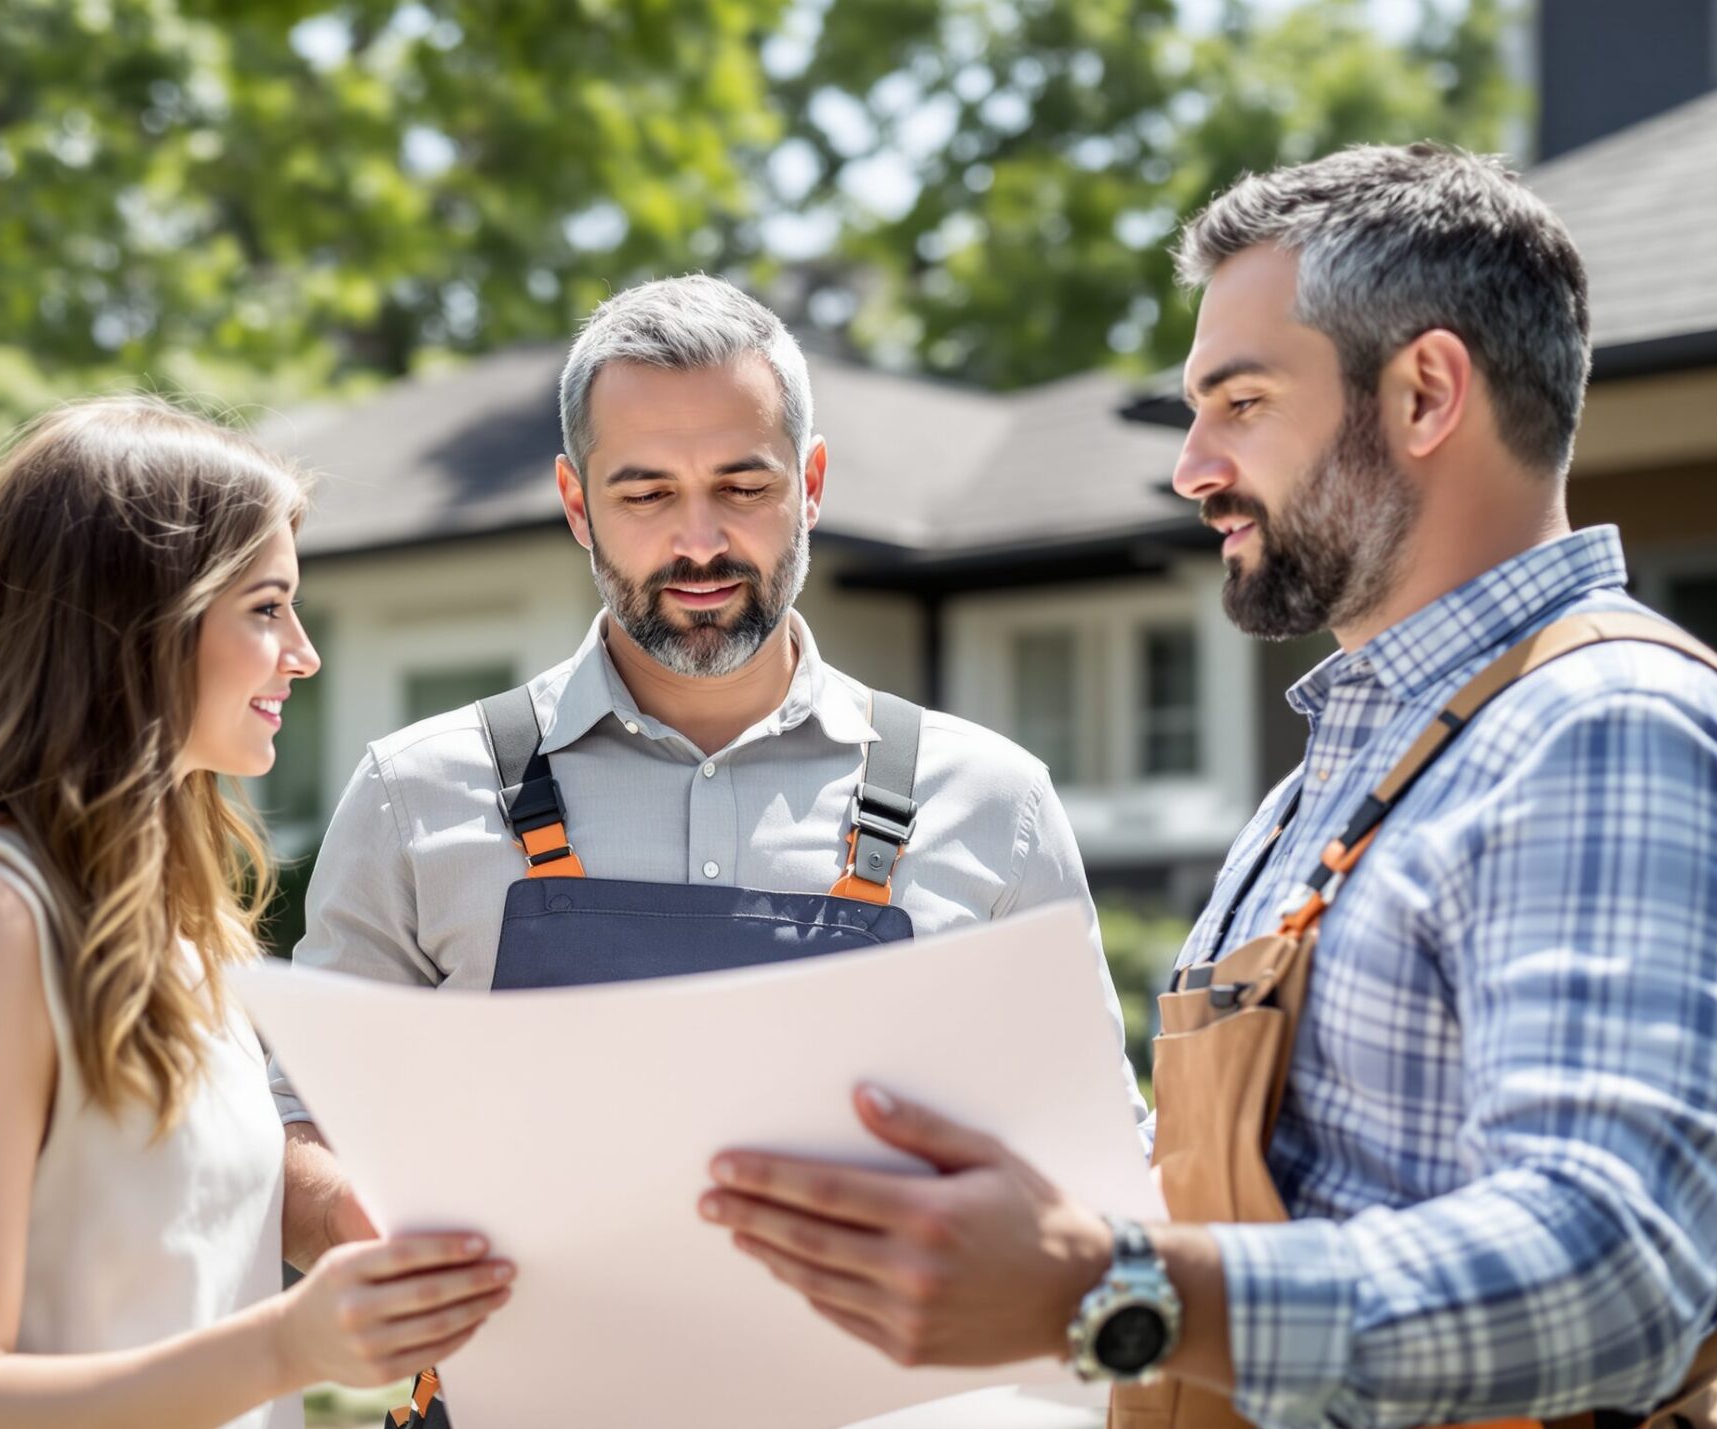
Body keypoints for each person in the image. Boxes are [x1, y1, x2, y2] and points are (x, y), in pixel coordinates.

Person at [699, 144, 1717, 1429]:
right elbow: (1234, 1201)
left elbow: (1615, 1268)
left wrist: (1101, 1284)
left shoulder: (1614, 736)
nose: (1191, 467)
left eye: (1239, 402)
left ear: (1424, 393)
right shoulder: (1342, 774)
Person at [274, 272, 1138, 1279]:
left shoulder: (994, 801)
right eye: (645, 494)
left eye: (744, 487)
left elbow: (1097, 1157)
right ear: (575, 503)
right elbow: (295, 1123)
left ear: (809, 485)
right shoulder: (411, 794)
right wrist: (420, 1252)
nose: (697, 542)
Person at [0, 397, 513, 1429]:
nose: (302, 651)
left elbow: (159, 1207)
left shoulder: (171, 923)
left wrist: (346, 1218)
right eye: (264, 607)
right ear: (137, 625)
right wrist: (290, 1344)